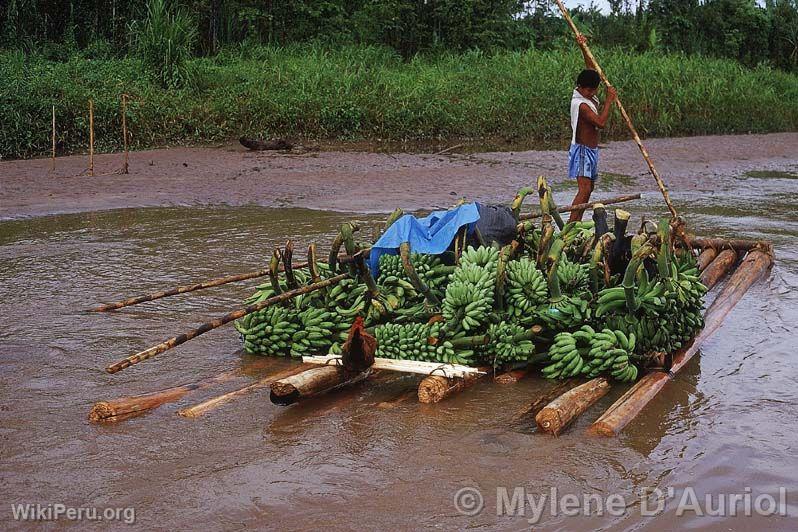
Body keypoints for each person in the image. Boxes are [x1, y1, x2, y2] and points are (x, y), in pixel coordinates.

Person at [568, 34, 617, 222]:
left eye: (593, 90)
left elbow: (591, 69)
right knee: (584, 189)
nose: (591, 93)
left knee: (590, 188)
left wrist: (583, 47)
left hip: (591, 150)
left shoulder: (588, 97)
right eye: (588, 90)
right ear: (580, 87)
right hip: (582, 150)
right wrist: (610, 100)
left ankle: (576, 222)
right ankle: (571, 224)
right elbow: (600, 123)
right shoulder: (581, 104)